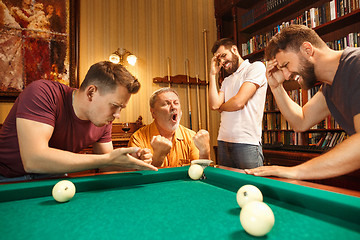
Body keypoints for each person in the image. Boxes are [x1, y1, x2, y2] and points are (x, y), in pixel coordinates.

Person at [0, 61, 157, 182]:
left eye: (121, 108)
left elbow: (106, 163)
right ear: (91, 92)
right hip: (7, 178)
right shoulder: (43, 93)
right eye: (115, 106)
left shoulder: (103, 120)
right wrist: (107, 159)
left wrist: (132, 161)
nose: (118, 115)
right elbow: (33, 160)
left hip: (54, 177)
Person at [245, 24, 360, 180]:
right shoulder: (330, 86)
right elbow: (301, 121)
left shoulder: (356, 64)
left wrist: (296, 171)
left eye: (285, 65)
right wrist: (276, 86)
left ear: (307, 50)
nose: (286, 76)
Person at [209, 38, 268, 169]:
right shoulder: (226, 80)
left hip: (247, 142)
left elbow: (238, 102)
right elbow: (214, 105)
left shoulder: (256, 67)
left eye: (224, 55)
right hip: (223, 141)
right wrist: (212, 74)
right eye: (219, 60)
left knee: (252, 187)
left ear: (234, 50)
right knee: (227, 188)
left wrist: (222, 107)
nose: (223, 62)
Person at [128, 88, 211, 167]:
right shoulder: (138, 138)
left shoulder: (191, 136)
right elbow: (138, 178)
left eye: (176, 103)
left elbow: (201, 173)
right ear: (153, 113)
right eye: (166, 104)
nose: (173, 107)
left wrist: (205, 152)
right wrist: (158, 157)